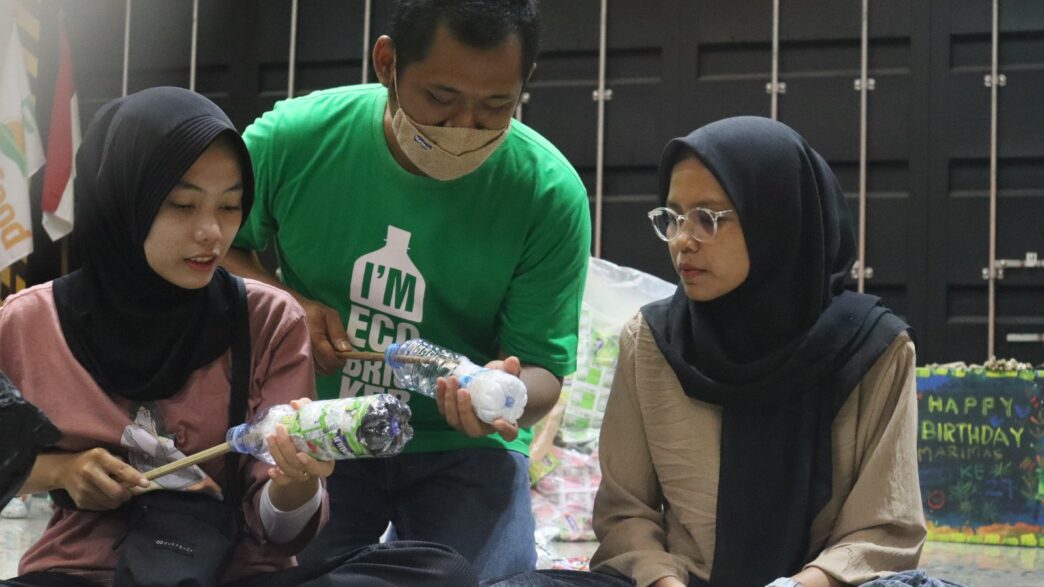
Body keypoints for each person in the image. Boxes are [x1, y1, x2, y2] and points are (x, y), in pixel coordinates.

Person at [0, 87, 475, 587]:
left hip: (234, 573)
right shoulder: (30, 323)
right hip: (84, 574)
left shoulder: (267, 319)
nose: (212, 232)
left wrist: (294, 482)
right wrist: (61, 472)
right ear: (121, 201)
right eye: (183, 205)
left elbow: (280, 534)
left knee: (439, 574)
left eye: (230, 206)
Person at [221, 0, 590, 580]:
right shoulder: (294, 140)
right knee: (271, 570)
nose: (464, 127)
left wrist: (506, 395)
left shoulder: (547, 194)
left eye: (496, 105)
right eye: (440, 98)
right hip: (317, 421)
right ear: (388, 63)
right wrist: (287, 306)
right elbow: (215, 251)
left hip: (462, 446)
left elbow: (543, 371)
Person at [487, 117, 926, 587]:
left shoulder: (873, 349)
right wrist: (664, 581)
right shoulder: (653, 340)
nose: (682, 240)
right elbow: (625, 514)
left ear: (776, 219)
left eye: (708, 218)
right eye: (673, 217)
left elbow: (884, 530)